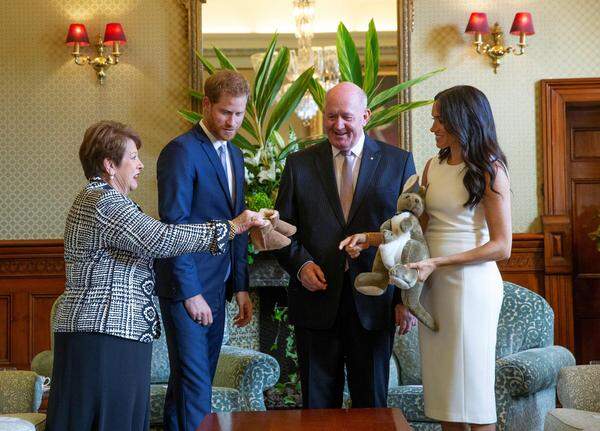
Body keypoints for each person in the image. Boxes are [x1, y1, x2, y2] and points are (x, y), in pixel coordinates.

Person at [46, 121, 262, 431]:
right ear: (110, 164)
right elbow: (160, 239)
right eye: (132, 157)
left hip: (110, 332)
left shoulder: (105, 199)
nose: (140, 164)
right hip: (104, 334)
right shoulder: (103, 202)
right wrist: (230, 227)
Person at [342, 85, 511, 431]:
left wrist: (437, 263)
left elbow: (501, 246)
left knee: (474, 399)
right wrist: (370, 238)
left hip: (470, 286)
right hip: (429, 284)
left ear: (462, 120)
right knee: (445, 399)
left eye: (439, 120)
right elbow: (416, 232)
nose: (433, 128)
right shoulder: (433, 167)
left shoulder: (490, 170)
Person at [273, 81, 417, 409]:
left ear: (365, 116)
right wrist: (301, 265)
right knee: (318, 406)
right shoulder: (299, 165)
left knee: (372, 405)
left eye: (347, 117)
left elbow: (409, 234)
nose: (338, 125)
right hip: (316, 302)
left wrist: (404, 298)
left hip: (375, 303)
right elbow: (280, 232)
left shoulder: (399, 163)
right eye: (331, 116)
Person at [154, 70, 253, 430]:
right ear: (207, 105)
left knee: (191, 383)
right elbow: (173, 228)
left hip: (218, 286)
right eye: (226, 112)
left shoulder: (237, 155)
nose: (233, 122)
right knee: (196, 386)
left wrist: (240, 286)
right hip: (188, 287)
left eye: (240, 114)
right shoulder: (181, 151)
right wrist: (190, 293)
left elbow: (237, 222)